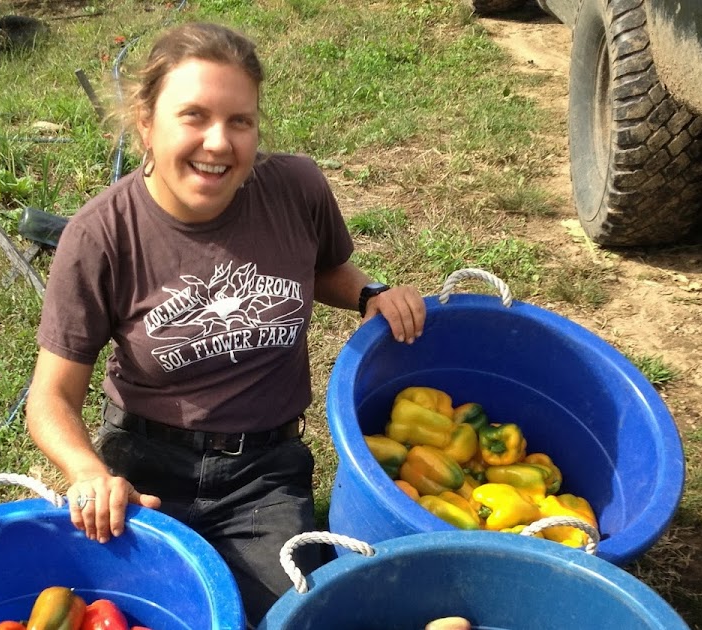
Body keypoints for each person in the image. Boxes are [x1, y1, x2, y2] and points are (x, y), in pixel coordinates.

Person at [24, 21, 426, 626]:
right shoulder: (101, 235)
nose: (219, 143)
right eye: (194, 116)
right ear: (145, 123)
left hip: (264, 472)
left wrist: (370, 293)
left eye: (240, 121)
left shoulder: (295, 189)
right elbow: (50, 398)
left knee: (289, 617)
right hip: (145, 466)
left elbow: (320, 267)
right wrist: (88, 472)